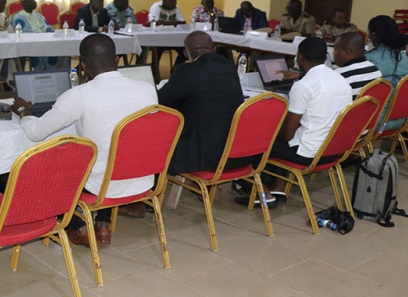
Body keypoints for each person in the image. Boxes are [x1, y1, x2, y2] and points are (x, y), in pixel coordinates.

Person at [11, 34, 158, 246]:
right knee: (111, 154)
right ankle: (103, 224)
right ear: (117, 59)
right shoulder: (147, 90)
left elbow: (35, 133)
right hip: (142, 179)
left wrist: (24, 110)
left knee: (51, 162)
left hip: (101, 185)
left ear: (83, 65)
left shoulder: (79, 95)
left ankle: (77, 227)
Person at [236, 37, 351, 207]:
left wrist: (270, 129)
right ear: (326, 57)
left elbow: (287, 135)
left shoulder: (303, 86)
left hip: (307, 153)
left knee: (255, 143)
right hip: (332, 150)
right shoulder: (342, 82)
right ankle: (278, 187)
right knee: (290, 135)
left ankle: (264, 195)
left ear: (300, 58)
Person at [157, 32, 245, 174]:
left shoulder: (185, 71)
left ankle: (151, 189)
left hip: (204, 155)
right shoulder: (228, 66)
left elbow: (160, 101)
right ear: (214, 48)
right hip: (237, 149)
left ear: (186, 54)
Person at [365, 15, 408, 130]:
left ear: (373, 35)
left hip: (375, 121)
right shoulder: (404, 57)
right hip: (401, 119)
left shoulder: (369, 59)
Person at [10, 0, 61, 71]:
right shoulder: (19, 17)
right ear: (24, 4)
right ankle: (43, 71)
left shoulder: (38, 15)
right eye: (30, 1)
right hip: (32, 43)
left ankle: (60, 72)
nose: (33, 2)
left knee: (61, 48)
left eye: (33, 0)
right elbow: (26, 33)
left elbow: (49, 28)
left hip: (45, 40)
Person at [332, 32, 382, 99]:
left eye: (335, 49)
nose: (333, 53)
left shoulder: (339, 76)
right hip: (372, 109)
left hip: (348, 109)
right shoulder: (375, 70)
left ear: (347, 52)